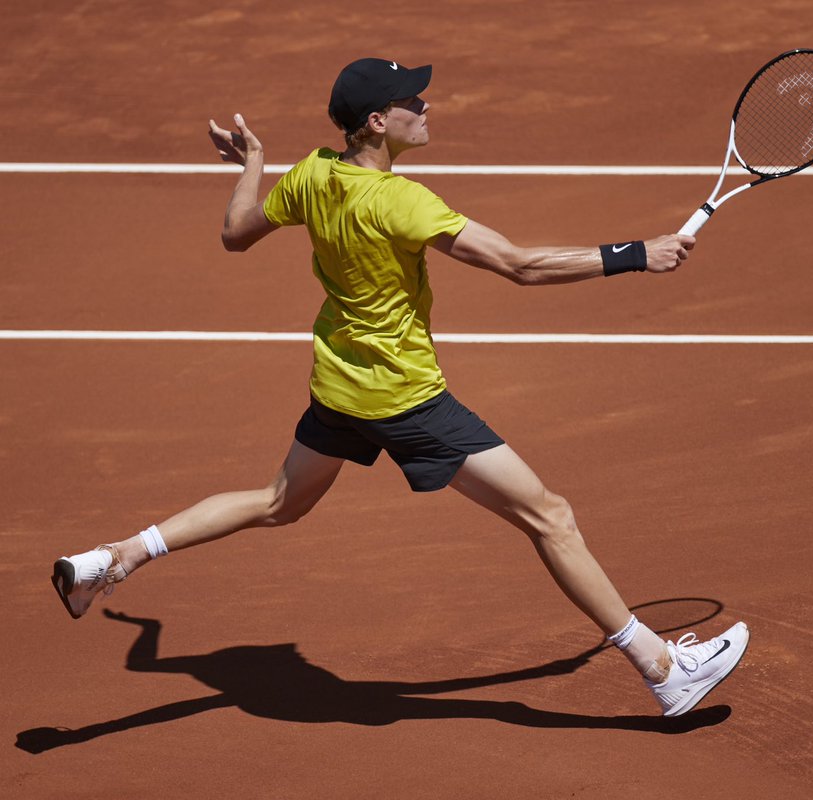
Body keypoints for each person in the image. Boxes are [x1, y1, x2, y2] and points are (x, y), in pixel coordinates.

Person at [51, 57, 749, 718]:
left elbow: (236, 232)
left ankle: (115, 558)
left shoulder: (311, 174)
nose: (426, 105)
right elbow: (519, 265)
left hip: (339, 385)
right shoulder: (401, 201)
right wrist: (638, 254)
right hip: (406, 400)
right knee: (550, 517)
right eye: (411, 99)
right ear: (378, 122)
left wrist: (254, 163)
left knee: (277, 502)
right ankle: (663, 669)